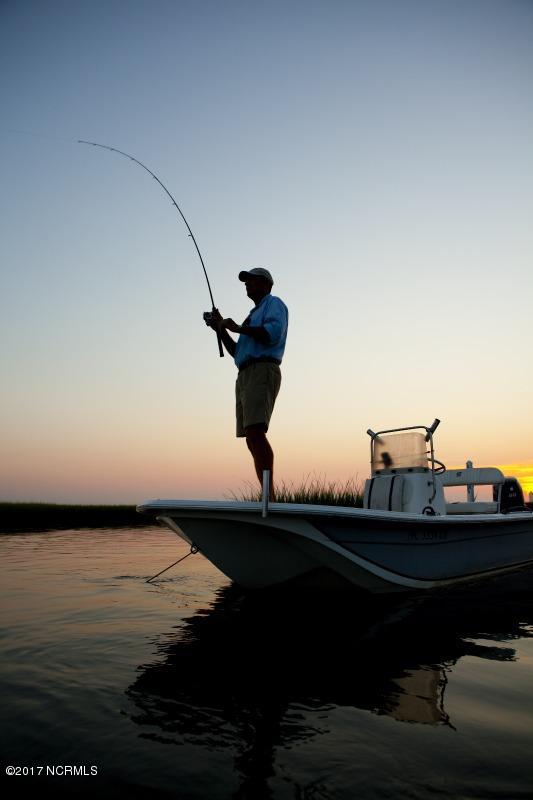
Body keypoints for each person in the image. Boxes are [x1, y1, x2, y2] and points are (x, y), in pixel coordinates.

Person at [206, 268, 288, 500]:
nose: (247, 284)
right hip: (244, 374)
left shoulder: (274, 304)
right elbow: (237, 352)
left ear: (267, 284)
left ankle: (269, 496)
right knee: (251, 437)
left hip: (262, 369)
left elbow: (271, 333)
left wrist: (237, 328)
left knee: (256, 432)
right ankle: (267, 493)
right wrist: (220, 329)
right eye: (246, 281)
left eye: (252, 280)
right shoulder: (252, 315)